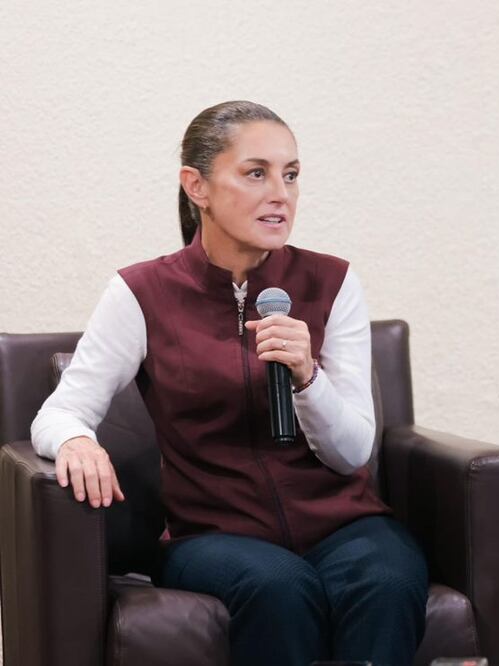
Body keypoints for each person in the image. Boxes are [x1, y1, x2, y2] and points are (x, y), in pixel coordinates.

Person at [31, 101, 428, 665]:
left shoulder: (332, 281)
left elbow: (353, 453)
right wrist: (75, 441)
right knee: (278, 587)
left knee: (388, 580)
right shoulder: (143, 293)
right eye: (256, 172)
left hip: (343, 524)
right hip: (212, 536)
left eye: (290, 175)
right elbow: (60, 411)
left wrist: (307, 378)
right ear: (197, 186)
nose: (280, 193)